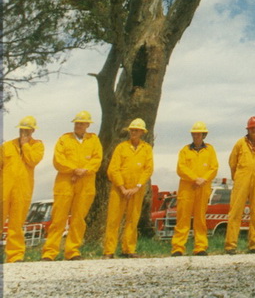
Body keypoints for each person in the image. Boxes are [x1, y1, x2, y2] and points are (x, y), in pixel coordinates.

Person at [41, 110, 103, 261]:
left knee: (79, 218)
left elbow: (97, 158)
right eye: (77, 123)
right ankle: (49, 252)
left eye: (82, 123)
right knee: (58, 218)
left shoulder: (93, 140)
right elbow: (58, 159)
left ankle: (72, 251)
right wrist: (74, 169)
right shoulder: (64, 139)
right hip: (65, 182)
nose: (78, 126)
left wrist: (84, 170)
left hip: (86, 182)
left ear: (88, 125)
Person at [103, 119, 154, 258]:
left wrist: (137, 187)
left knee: (133, 219)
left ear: (142, 132)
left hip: (136, 190)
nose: (133, 132)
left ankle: (129, 249)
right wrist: (122, 187)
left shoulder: (147, 149)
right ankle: (109, 251)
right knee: (114, 220)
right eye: (132, 130)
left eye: (136, 130)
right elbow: (113, 169)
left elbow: (148, 169)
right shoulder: (121, 147)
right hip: (119, 189)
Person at [170, 121, 218, 257]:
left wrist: (203, 179)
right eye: (194, 134)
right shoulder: (185, 150)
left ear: (204, 135)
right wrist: (195, 179)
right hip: (187, 188)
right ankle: (178, 247)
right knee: (182, 218)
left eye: (199, 134)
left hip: (203, 188)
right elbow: (181, 168)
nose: (196, 136)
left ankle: (200, 247)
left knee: (200, 218)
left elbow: (214, 167)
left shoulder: (210, 150)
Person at [224, 115, 255, 254]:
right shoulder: (240, 143)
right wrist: (237, 176)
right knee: (236, 211)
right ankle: (230, 245)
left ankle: (253, 244)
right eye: (252, 128)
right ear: (248, 129)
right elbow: (232, 162)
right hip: (242, 179)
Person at [2, 116, 44, 263]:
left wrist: (25, 145)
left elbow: (33, 160)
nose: (24, 132)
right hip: (4, 189)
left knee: (16, 224)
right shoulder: (7, 146)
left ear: (33, 130)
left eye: (27, 130)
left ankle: (15, 256)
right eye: (22, 129)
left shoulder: (37, 145)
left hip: (23, 189)